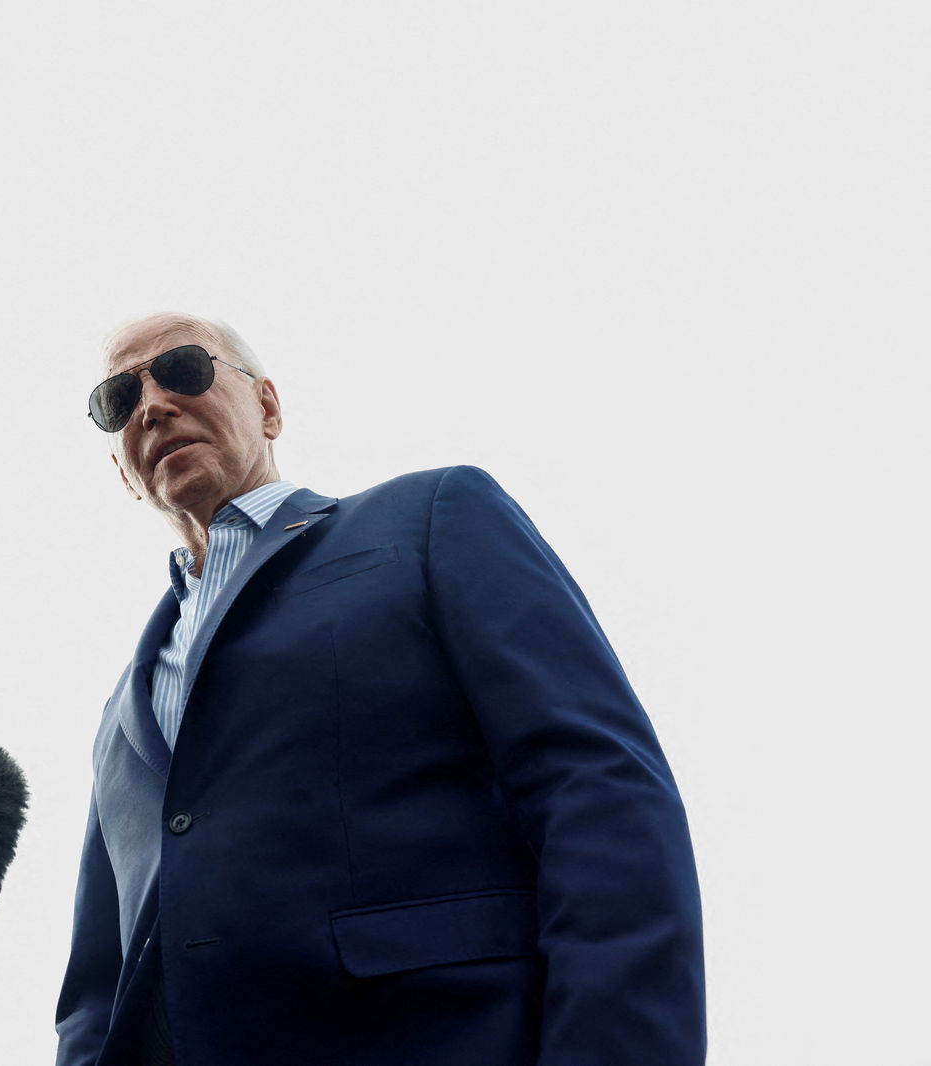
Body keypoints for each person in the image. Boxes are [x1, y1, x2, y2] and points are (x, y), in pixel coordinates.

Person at [54, 313, 705, 1065]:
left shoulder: (427, 520)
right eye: (118, 398)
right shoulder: (119, 720)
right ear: (122, 472)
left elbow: (598, 790)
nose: (153, 404)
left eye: (185, 370)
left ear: (267, 407)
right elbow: (100, 985)